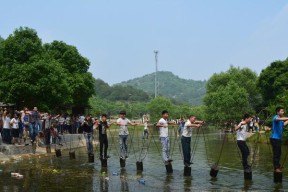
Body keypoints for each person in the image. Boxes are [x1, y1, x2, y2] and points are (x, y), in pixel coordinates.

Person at [270, 107, 288, 173]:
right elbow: (278, 119)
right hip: (274, 138)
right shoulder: (275, 117)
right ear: (278, 112)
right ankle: (276, 168)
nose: (283, 112)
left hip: (278, 139)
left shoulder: (281, 120)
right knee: (276, 153)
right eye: (282, 111)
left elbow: (283, 124)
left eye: (283, 111)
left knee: (279, 153)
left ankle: (278, 165)